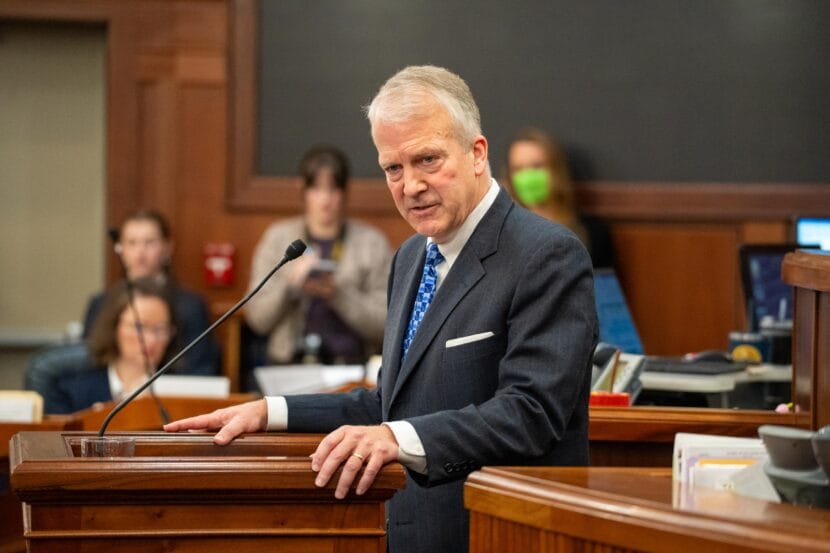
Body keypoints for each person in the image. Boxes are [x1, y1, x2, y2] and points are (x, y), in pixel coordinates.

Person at [164, 66, 598, 553]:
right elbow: (393, 405)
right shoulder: (412, 257)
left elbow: (531, 412)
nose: (410, 185)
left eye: (427, 160)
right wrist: (271, 412)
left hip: (496, 534)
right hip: (406, 531)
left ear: (477, 153)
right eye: (394, 168)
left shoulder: (546, 255)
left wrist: (397, 436)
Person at [25, 209, 219, 399]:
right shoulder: (100, 303)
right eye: (132, 243)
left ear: (167, 247)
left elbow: (200, 374)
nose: (140, 252)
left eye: (149, 242)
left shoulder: (189, 305)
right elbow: (89, 362)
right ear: (120, 249)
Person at [244, 145, 392, 365]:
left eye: (333, 189)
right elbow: (257, 319)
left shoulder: (372, 243)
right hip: (288, 364)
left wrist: (338, 294)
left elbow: (386, 325)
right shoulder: (278, 238)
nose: (325, 200)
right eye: (316, 189)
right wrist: (291, 285)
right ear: (302, 189)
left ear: (345, 192)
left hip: (350, 366)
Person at [43, 277, 177, 414]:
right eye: (139, 327)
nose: (151, 340)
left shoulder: (180, 393)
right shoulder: (73, 391)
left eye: (160, 329)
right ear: (114, 327)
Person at [505, 127, 615, 268]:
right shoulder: (502, 234)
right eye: (518, 169)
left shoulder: (592, 234)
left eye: (537, 166)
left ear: (555, 169)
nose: (527, 177)